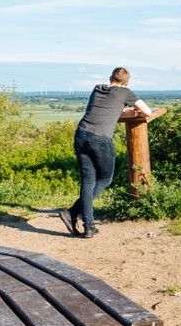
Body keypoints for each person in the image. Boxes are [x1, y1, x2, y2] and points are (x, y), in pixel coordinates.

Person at [59, 67, 156, 238]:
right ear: (126, 82)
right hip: (100, 139)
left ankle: (88, 225)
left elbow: (107, 108)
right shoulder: (125, 92)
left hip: (82, 134)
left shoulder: (97, 88)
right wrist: (135, 110)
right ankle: (74, 212)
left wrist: (125, 110)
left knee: (88, 181)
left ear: (110, 78)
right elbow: (147, 111)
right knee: (104, 179)